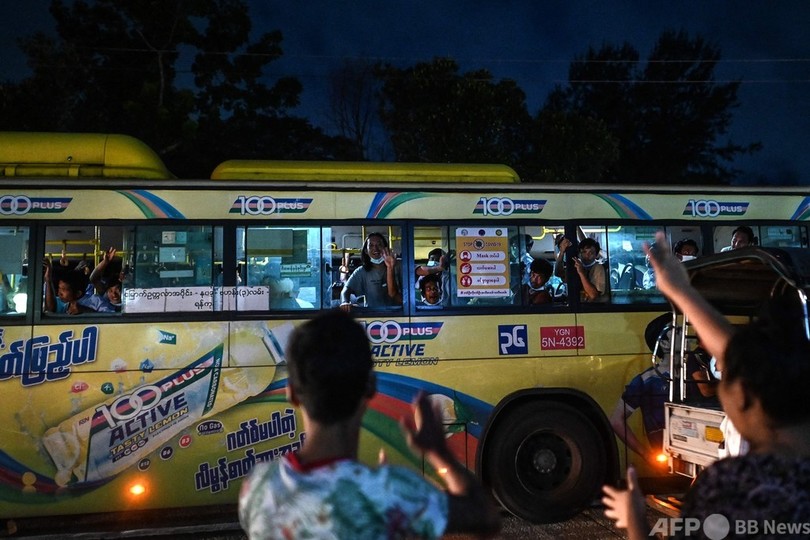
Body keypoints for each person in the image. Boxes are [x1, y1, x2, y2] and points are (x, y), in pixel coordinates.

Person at [602, 231, 810, 540]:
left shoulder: (732, 488)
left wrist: (635, 523)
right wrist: (681, 291)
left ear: (743, 397)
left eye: (725, 376)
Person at [238, 310, 501, 539]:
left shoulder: (257, 487)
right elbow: (485, 519)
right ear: (371, 387)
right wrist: (439, 453)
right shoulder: (392, 491)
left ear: (292, 393)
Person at [340, 233, 401, 310]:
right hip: (372, 315)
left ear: (386, 248)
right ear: (366, 251)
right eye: (371, 245)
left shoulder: (398, 265)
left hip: (399, 313)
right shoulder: (361, 271)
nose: (375, 248)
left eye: (379, 245)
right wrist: (344, 302)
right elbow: (346, 289)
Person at [556, 236, 607, 302]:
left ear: (596, 255)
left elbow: (593, 295)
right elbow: (558, 273)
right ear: (579, 253)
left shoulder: (598, 268)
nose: (587, 255)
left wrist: (581, 273)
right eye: (584, 252)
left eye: (591, 253)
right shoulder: (576, 265)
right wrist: (562, 252)